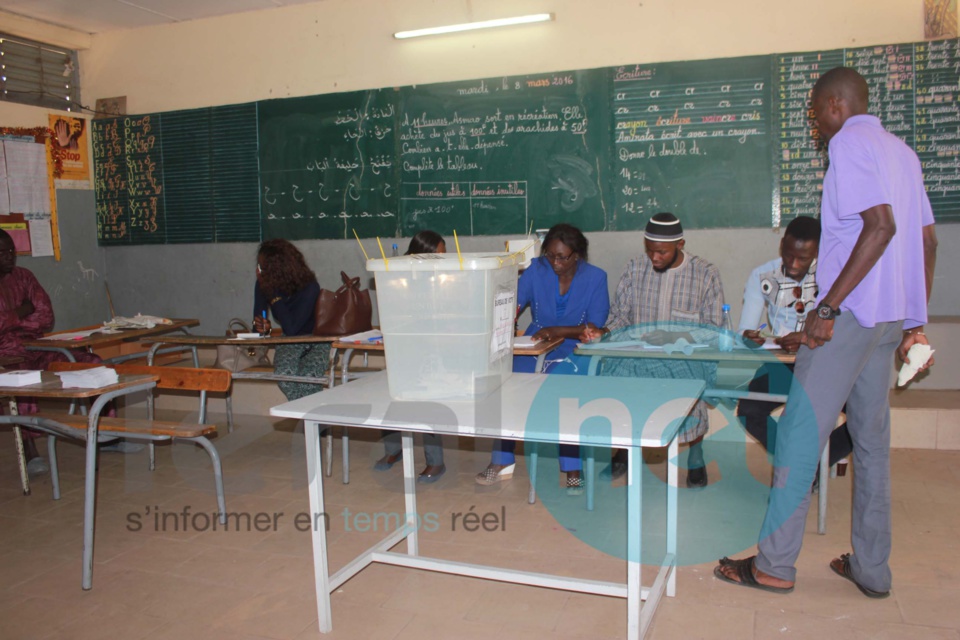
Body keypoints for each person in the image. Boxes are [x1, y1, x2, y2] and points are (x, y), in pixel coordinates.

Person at [715, 67, 937, 598]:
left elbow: (879, 225)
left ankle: (773, 565)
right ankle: (872, 568)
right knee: (871, 443)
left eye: (815, 112)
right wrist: (916, 322)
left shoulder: (849, 145)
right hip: (887, 320)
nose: (815, 124)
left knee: (796, 434)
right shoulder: (903, 154)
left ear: (835, 104)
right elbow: (926, 242)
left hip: (850, 317)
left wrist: (828, 306)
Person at [581, 212, 724, 488]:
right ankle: (622, 452)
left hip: (685, 357)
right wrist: (604, 332)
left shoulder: (706, 274)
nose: (654, 258)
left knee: (689, 390)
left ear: (680, 244)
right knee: (613, 384)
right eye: (649, 250)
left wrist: (676, 336)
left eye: (661, 252)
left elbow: (714, 330)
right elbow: (621, 317)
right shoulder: (635, 267)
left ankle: (695, 456)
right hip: (638, 355)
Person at [475, 223, 609, 495]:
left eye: (563, 257)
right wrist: (503, 318)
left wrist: (560, 331)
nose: (555, 263)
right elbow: (512, 302)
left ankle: (572, 467)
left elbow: (595, 325)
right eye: (551, 255)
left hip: (574, 347)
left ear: (578, 256)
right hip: (536, 342)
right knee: (508, 386)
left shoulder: (596, 278)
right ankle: (502, 460)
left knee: (565, 394)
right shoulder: (537, 270)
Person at [736, 216, 853, 472]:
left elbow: (846, 328)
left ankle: (808, 467)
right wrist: (749, 336)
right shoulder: (763, 275)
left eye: (804, 258)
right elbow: (746, 328)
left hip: (828, 363)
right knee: (749, 411)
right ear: (781, 246)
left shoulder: (835, 277)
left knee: (863, 415)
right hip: (783, 364)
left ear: (818, 252)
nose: (794, 264)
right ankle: (794, 463)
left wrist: (806, 339)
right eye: (789, 255)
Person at [0, 229, 107, 475]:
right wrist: (20, 312)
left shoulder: (24, 277)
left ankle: (108, 434)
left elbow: (45, 317)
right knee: (24, 382)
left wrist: (12, 320)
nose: (8, 257)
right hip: (6, 355)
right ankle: (28, 450)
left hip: (36, 346)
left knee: (92, 363)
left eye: (11, 251)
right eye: (2, 252)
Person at [374, 230, 448, 483]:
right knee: (394, 397)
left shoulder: (444, 279)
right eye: (438, 255)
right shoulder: (398, 275)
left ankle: (435, 462)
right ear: (422, 254)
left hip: (430, 346)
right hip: (402, 344)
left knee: (427, 402)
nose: (443, 260)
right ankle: (393, 451)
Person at [252, 239, 327, 401]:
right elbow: (257, 325)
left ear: (278, 269)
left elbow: (293, 327)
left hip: (316, 340)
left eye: (262, 267)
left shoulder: (310, 287)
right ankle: (313, 420)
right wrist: (262, 327)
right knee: (284, 377)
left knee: (309, 381)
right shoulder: (264, 285)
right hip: (289, 341)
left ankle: (311, 422)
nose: (258, 272)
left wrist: (273, 295)